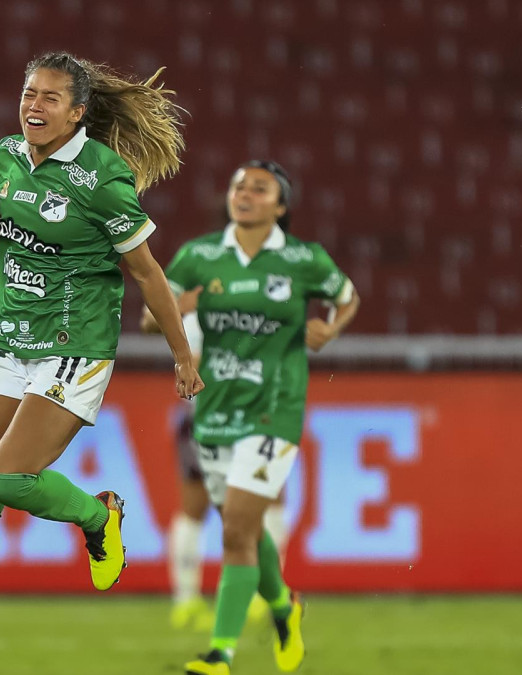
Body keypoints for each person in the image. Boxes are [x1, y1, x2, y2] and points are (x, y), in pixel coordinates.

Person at [0, 51, 203, 675]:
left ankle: (98, 514)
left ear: (78, 111)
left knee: (6, 476)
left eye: (51, 97)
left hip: (72, 347)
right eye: (29, 92)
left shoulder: (103, 179)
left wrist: (181, 353)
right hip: (6, 338)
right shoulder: (7, 157)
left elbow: (148, 273)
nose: (35, 104)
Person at [142, 160, 359, 675]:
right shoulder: (200, 255)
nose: (245, 194)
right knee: (244, 528)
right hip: (214, 413)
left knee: (237, 527)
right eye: (239, 185)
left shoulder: (304, 259)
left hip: (274, 411)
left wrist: (331, 329)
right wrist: (178, 309)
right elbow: (152, 319)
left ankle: (221, 653)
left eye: (260, 189)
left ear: (280, 206)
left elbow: (347, 298)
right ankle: (285, 606)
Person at [162, 304, 291, 632]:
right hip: (208, 421)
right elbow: (189, 365)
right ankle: (186, 601)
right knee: (195, 508)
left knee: (270, 501)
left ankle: (262, 593)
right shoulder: (199, 318)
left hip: (252, 420)